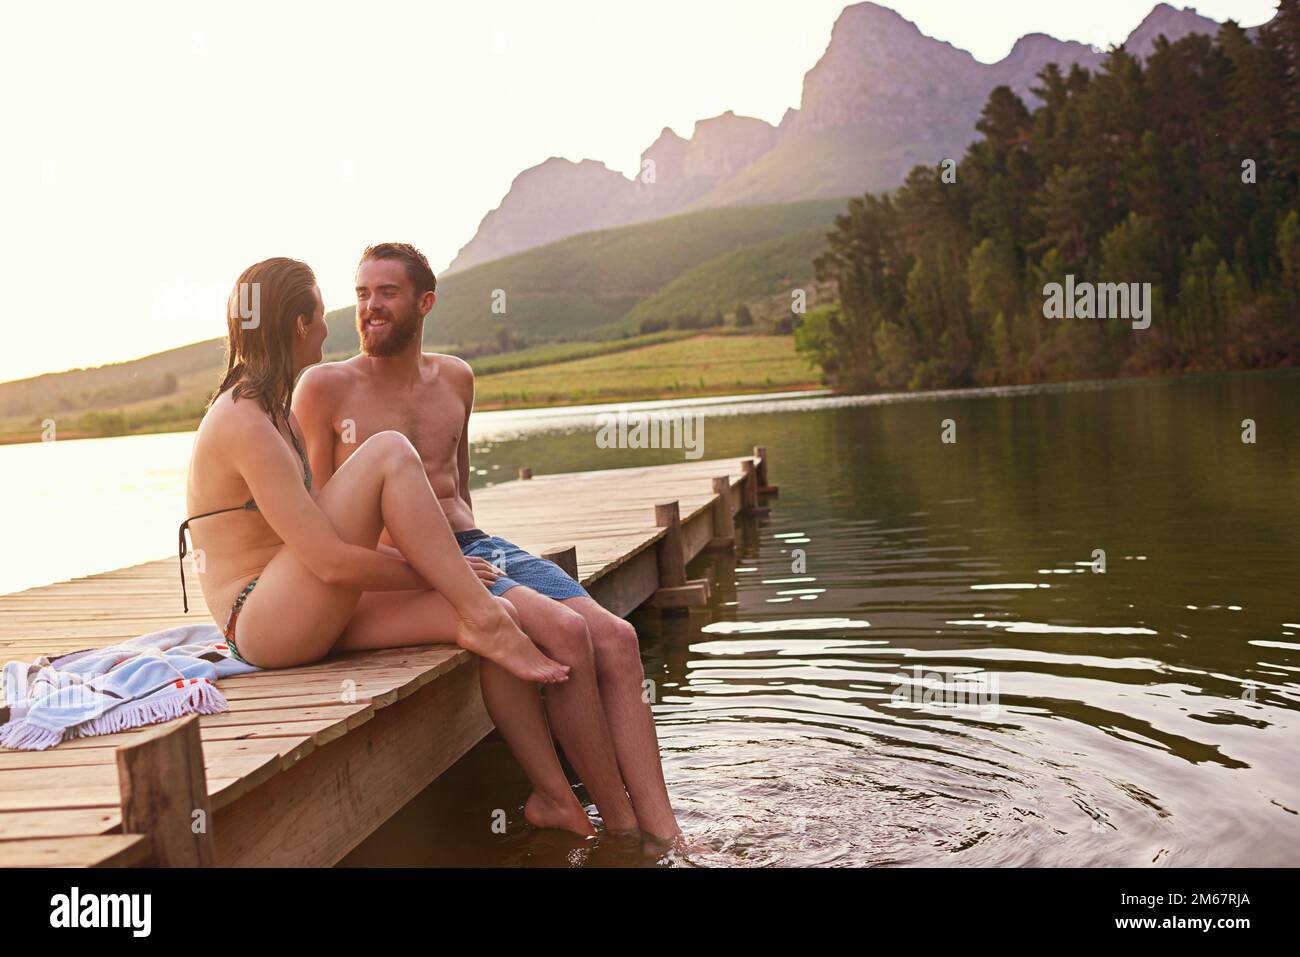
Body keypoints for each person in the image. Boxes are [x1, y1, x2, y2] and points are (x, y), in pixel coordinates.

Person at [179, 257, 605, 836]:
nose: (332, 328)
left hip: (305, 605)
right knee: (387, 451)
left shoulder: (273, 408)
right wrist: (436, 569)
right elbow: (327, 559)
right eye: (321, 314)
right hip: (261, 619)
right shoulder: (244, 419)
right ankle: (487, 619)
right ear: (299, 325)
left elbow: (320, 555)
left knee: (495, 613)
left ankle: (557, 800)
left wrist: (443, 574)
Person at [292, 243, 683, 847]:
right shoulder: (324, 388)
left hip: (477, 544)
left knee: (619, 638)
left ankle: (667, 832)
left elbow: (460, 491)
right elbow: (321, 519)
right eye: (363, 292)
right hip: (405, 560)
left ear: (424, 302)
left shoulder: (455, 377)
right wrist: (423, 571)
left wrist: (493, 565)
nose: (370, 307)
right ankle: (622, 832)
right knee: (568, 634)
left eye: (386, 293)